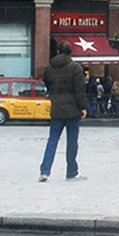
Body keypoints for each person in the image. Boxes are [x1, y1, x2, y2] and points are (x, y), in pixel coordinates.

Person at [39, 41, 88, 181]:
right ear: (70, 52)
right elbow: (79, 90)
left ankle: (45, 170)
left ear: (58, 52)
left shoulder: (49, 68)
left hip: (57, 108)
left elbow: (47, 84)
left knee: (52, 140)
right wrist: (83, 107)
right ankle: (71, 171)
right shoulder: (75, 68)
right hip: (72, 109)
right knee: (72, 141)